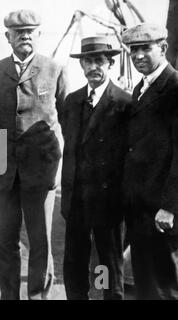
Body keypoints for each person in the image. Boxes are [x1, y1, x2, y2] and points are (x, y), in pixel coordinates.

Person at [0, 9, 69, 300]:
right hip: (4, 170)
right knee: (6, 238)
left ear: (39, 35)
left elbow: (66, 120)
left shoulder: (54, 68)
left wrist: (56, 166)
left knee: (40, 241)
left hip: (40, 171)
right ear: (8, 37)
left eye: (31, 31)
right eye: (19, 33)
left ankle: (37, 296)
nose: (25, 36)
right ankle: (8, 296)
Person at [61, 36, 131, 300]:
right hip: (76, 198)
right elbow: (70, 145)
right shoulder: (72, 101)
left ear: (110, 63)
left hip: (107, 201)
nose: (93, 67)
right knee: (74, 263)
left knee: (106, 264)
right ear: (82, 66)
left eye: (99, 61)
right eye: (88, 61)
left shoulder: (123, 103)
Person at [121, 23, 178, 299]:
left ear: (163, 48)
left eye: (146, 48)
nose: (138, 55)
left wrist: (169, 206)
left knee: (164, 285)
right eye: (134, 50)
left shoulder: (174, 87)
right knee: (144, 282)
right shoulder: (141, 89)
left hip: (159, 210)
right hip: (139, 206)